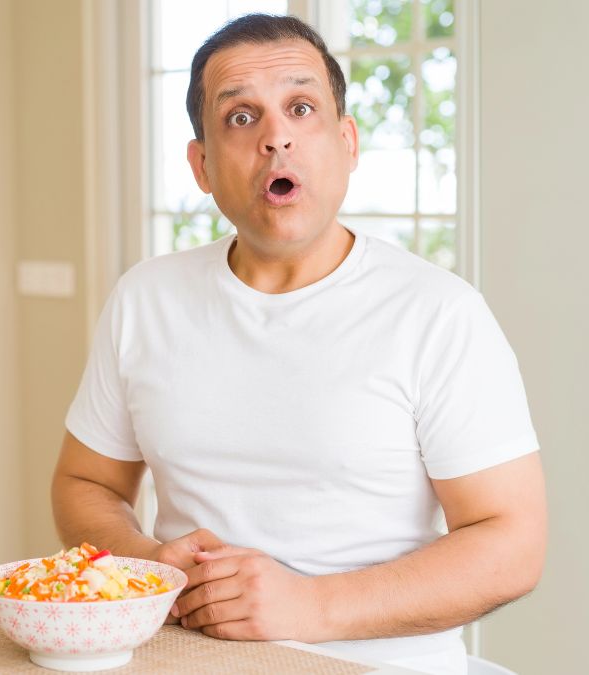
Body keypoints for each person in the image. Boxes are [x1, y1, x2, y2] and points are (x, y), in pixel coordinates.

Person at [50, 13, 546, 675]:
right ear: (201, 165)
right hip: (178, 659)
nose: (277, 136)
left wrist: (308, 606)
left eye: (301, 107)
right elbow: (84, 482)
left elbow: (514, 544)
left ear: (346, 143)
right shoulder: (146, 299)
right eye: (240, 117)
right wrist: (141, 560)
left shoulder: (439, 314)